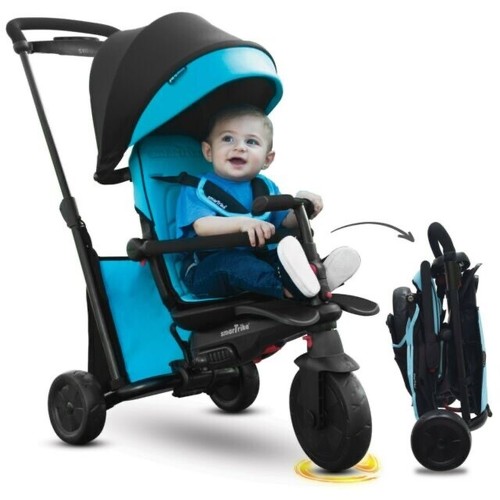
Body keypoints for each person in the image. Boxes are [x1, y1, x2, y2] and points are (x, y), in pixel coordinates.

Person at [175, 104, 360, 299]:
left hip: (259, 258)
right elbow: (202, 226)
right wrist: (243, 223)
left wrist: (303, 207)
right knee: (238, 264)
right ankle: (289, 289)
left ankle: (318, 275)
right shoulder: (197, 188)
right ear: (208, 151)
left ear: (267, 159)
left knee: (285, 253)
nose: (239, 147)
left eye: (251, 142)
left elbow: (285, 222)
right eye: (228, 139)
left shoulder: (265, 187)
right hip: (208, 266)